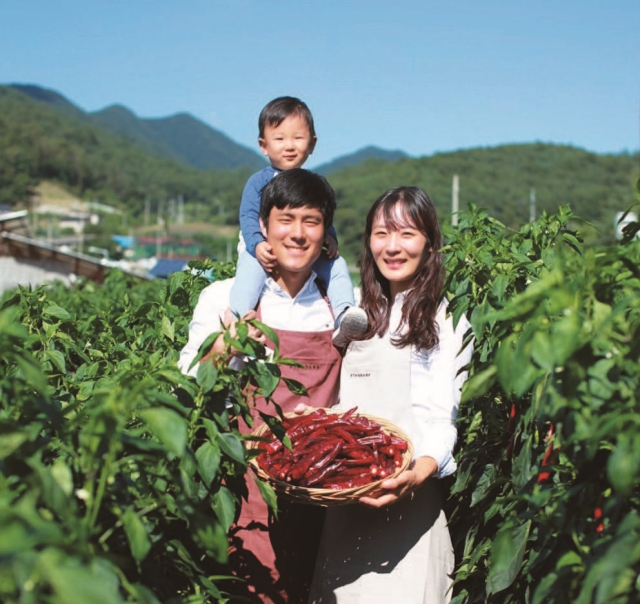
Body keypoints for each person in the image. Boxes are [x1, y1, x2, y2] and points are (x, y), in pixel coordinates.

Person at [179, 168, 347, 604]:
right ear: (264, 228)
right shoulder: (224, 298)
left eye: (310, 221)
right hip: (246, 489)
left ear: (325, 231)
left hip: (322, 488)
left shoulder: (344, 310)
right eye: (285, 220)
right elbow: (187, 384)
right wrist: (226, 344)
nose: (296, 234)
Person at [308, 186, 474, 604]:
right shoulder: (357, 311)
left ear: (430, 244)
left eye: (407, 234)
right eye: (381, 233)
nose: (392, 246)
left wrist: (414, 474)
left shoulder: (445, 317)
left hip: (409, 508)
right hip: (346, 505)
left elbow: (442, 416)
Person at [229, 96, 366, 348]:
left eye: (298, 138)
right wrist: (257, 244)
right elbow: (248, 216)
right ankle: (237, 319)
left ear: (312, 143)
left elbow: (322, 217)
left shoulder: (314, 183)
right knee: (249, 275)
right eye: (279, 139)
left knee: (337, 268)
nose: (289, 146)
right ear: (264, 145)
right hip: (258, 248)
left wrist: (331, 237)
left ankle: (344, 315)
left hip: (306, 254)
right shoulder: (258, 181)